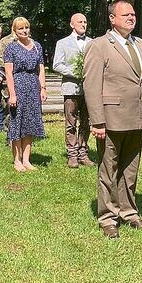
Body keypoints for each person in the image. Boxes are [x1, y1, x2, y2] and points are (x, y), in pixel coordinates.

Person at [83, 0, 142, 238]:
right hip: (111, 118)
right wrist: (97, 121)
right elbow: (91, 84)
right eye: (125, 14)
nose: (131, 18)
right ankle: (108, 218)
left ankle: (129, 212)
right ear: (112, 19)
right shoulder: (100, 45)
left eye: (133, 14)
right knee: (109, 170)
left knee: (130, 169)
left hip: (137, 118)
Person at [4, 17, 47, 171]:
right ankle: (17, 160)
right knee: (17, 123)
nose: (24, 31)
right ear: (14, 31)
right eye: (20, 28)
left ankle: (27, 160)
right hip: (18, 84)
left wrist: (43, 88)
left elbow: (41, 68)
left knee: (30, 123)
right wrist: (12, 94)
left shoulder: (37, 46)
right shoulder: (11, 48)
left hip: (33, 86)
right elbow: (8, 73)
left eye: (26, 27)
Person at [52, 13, 94, 168]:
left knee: (86, 121)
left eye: (85, 21)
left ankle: (83, 152)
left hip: (89, 88)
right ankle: (72, 154)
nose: (83, 24)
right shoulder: (62, 43)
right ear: (72, 24)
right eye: (80, 22)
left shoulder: (92, 43)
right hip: (70, 87)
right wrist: (75, 72)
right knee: (71, 122)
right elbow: (57, 64)